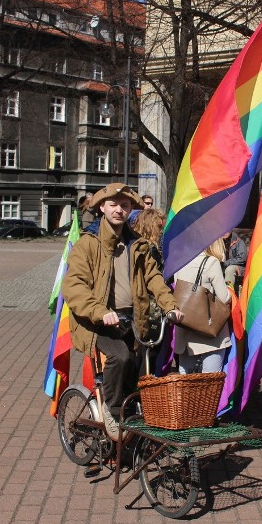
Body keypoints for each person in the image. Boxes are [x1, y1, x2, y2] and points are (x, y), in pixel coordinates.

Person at [62, 183, 184, 440]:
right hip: (97, 322)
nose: (119, 210)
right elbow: (73, 287)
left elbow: (154, 278)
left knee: (141, 372)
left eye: (125, 205)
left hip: (133, 319)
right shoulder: (88, 244)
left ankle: (130, 441)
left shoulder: (137, 245)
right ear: (102, 208)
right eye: (114, 204)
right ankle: (112, 409)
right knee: (121, 357)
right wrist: (99, 311)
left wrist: (170, 306)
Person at [173, 238, 232, 374]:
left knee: (186, 382)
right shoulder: (211, 262)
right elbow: (224, 298)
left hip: (186, 329)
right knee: (210, 385)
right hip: (209, 333)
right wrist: (230, 290)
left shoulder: (179, 262)